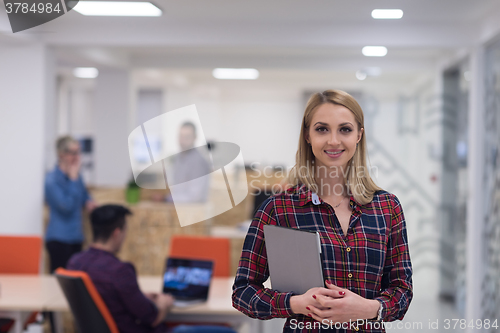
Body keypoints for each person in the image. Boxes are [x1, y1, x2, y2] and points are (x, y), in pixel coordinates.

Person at [232, 90, 413, 332]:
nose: (334, 141)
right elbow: (243, 292)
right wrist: (295, 303)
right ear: (307, 135)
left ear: (359, 135)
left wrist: (369, 308)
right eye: (322, 129)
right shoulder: (278, 209)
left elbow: (402, 290)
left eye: (345, 129)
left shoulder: (387, 207)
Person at [68, 204, 236, 333]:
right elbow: (152, 317)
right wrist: (164, 303)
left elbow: (103, 295)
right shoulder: (119, 271)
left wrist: (138, 296)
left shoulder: (75, 263)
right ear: (117, 233)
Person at [45, 135, 96, 273]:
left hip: (76, 238)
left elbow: (84, 194)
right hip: (59, 239)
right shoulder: (51, 180)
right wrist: (73, 179)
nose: (77, 157)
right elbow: (66, 206)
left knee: (75, 281)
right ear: (61, 154)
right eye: (73, 153)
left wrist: (89, 202)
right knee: (58, 284)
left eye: (78, 152)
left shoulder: (76, 176)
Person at [165, 121, 211, 203]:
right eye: (181, 136)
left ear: (194, 137)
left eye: (187, 137)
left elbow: (195, 196)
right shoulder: (178, 158)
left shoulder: (198, 161)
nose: (183, 141)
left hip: (194, 211)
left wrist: (169, 199)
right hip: (179, 209)